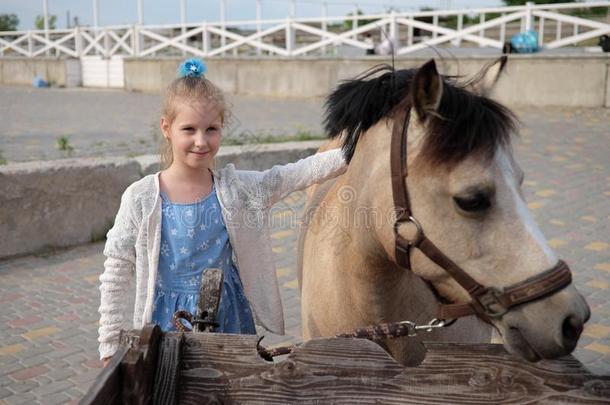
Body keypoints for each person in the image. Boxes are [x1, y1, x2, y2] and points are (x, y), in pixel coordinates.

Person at [98, 58, 347, 366]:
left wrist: (353, 151)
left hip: (228, 319)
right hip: (164, 325)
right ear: (166, 128)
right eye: (188, 129)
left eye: (211, 129)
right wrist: (110, 343)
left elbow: (290, 175)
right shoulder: (141, 198)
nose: (201, 141)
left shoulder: (237, 191)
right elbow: (117, 269)